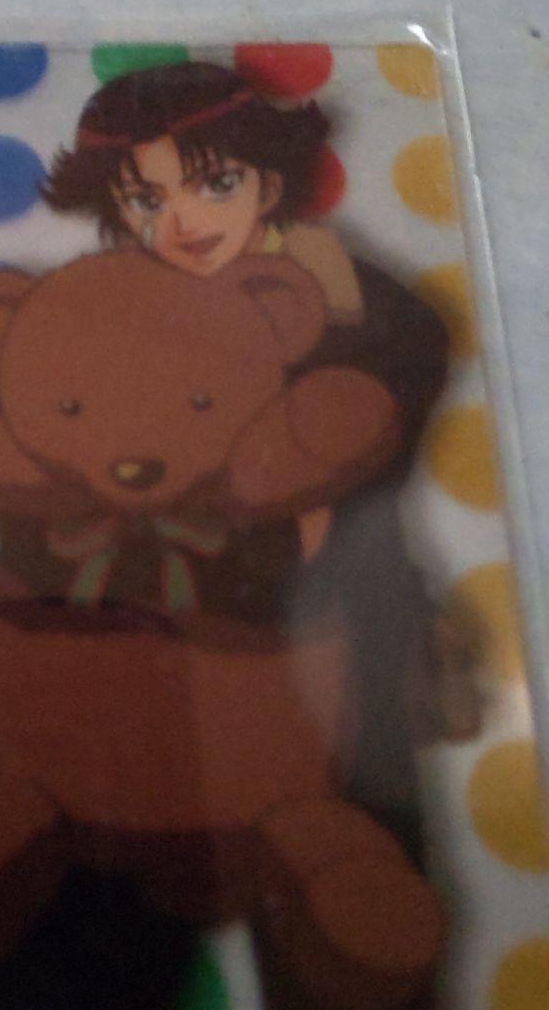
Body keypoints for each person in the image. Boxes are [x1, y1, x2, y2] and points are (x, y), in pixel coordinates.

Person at [43, 59, 479, 854]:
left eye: (215, 185)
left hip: (343, 587)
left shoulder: (335, 285)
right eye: (147, 201)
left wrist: (330, 463)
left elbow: (414, 354)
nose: (184, 222)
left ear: (267, 184)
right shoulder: (136, 309)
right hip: (200, 598)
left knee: (362, 793)